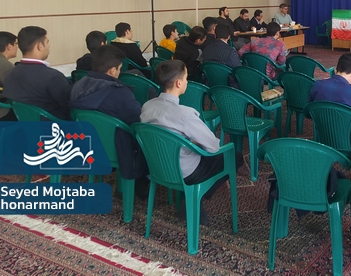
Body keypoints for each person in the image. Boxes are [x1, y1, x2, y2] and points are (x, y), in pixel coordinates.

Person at [141, 60, 243, 225]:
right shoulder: (185, 114)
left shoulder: (147, 106)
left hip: (156, 166)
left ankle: (191, 196)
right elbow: (213, 147)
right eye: (186, 78)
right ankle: (197, 196)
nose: (187, 82)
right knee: (234, 156)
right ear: (179, 83)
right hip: (186, 171)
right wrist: (194, 142)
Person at [69, 45, 149, 195]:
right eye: (119, 69)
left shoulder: (77, 86)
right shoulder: (119, 93)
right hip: (118, 149)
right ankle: (141, 182)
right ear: (112, 70)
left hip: (87, 145)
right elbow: (137, 122)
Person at [309, 53, 351, 151]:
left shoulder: (317, 85)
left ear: (336, 69)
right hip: (349, 142)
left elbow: (309, 112)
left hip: (323, 137)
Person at [2, 26, 71, 120]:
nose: (49, 46)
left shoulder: (10, 73)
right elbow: (70, 107)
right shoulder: (53, 77)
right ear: (40, 46)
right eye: (47, 42)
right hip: (55, 126)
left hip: (25, 125)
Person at [0, 31, 18, 121]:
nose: (17, 47)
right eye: (16, 44)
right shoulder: (3, 64)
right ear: (9, 46)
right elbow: (18, 89)